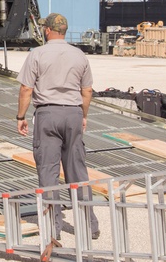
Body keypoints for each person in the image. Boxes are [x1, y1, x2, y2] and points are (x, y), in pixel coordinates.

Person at [16, 12, 100, 241]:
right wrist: (83, 115)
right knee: (77, 170)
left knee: (48, 171)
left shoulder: (37, 54)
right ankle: (89, 225)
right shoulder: (79, 55)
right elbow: (87, 90)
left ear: (47, 30)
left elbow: (26, 88)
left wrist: (20, 116)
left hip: (48, 114)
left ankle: (53, 228)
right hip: (73, 113)